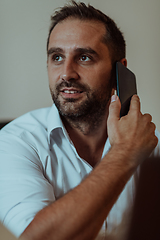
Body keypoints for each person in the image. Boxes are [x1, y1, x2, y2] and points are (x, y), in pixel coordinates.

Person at [0, 1, 159, 240]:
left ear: (120, 72)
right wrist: (124, 154)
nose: (66, 73)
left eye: (84, 57)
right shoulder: (15, 143)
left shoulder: (152, 146)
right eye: (56, 57)